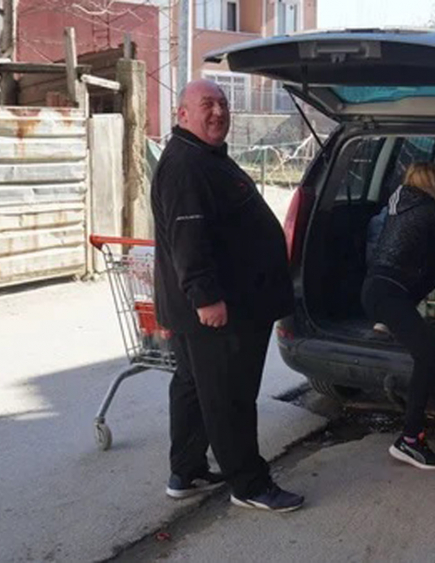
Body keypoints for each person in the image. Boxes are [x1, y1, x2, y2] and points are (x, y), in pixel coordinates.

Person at [151, 79, 303, 512]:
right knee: (229, 395)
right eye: (207, 105)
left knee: (194, 388)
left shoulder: (202, 157)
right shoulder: (187, 165)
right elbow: (188, 237)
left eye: (222, 104)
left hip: (208, 307)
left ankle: (186, 469)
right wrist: (205, 298)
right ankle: (249, 484)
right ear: (182, 114)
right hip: (217, 309)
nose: (218, 112)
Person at [361, 162, 435, 470]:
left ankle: (385, 322)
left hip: (374, 290)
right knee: (427, 354)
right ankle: (410, 440)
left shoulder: (398, 205)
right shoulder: (432, 209)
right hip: (391, 296)